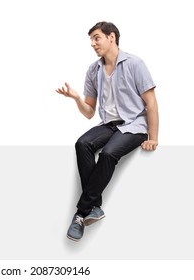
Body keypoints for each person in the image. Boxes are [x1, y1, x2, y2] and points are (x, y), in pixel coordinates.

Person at [56, 21, 159, 241]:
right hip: (109, 124)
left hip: (134, 125)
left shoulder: (135, 63)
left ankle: (81, 213)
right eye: (91, 40)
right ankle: (95, 207)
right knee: (82, 143)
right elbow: (89, 112)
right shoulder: (94, 70)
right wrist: (75, 98)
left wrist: (154, 137)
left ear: (111, 37)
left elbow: (151, 102)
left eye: (96, 38)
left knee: (108, 153)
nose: (93, 44)